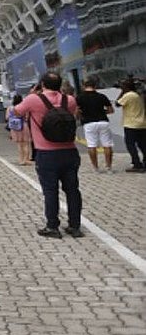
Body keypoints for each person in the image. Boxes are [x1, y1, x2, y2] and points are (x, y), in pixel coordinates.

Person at [14, 71, 82, 238]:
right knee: (72, 190)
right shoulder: (70, 100)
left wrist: (31, 95)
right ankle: (75, 226)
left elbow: (16, 112)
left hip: (46, 153)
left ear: (41, 85)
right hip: (69, 151)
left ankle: (53, 226)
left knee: (50, 191)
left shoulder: (33, 100)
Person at [75, 78, 114, 172]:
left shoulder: (79, 97)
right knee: (107, 145)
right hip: (103, 122)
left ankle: (95, 167)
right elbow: (111, 110)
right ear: (95, 86)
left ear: (84, 86)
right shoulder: (102, 96)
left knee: (92, 145)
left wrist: (81, 116)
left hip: (89, 123)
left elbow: (76, 112)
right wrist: (102, 112)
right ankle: (109, 167)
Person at [115, 78, 146, 173]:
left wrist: (122, 92)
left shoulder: (128, 95)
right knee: (142, 144)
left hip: (131, 124)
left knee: (130, 145)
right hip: (142, 124)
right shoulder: (137, 95)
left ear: (126, 87)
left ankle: (137, 164)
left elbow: (117, 103)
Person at [7, 94, 31, 165]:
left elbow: (7, 117)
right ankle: (26, 159)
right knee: (26, 144)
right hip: (23, 125)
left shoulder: (10, 108)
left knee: (19, 144)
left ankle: (20, 160)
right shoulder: (24, 107)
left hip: (15, 127)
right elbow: (27, 117)